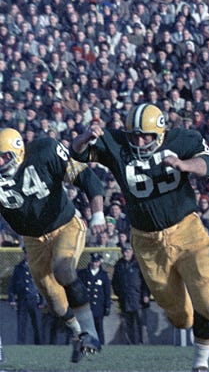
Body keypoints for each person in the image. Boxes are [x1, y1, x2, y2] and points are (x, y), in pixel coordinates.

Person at [71, 103, 209, 372]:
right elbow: (78, 154)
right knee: (180, 316)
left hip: (187, 230)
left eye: (146, 136)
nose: (139, 141)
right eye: (135, 135)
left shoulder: (181, 140)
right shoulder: (118, 144)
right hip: (147, 241)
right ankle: (203, 319)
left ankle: (201, 361)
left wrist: (184, 164)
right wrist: (85, 137)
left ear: (161, 133)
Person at [0, 128, 105, 362]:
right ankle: (79, 335)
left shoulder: (44, 150)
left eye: (4, 156)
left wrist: (98, 214)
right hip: (32, 241)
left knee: (63, 269)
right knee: (55, 303)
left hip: (65, 225)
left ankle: (91, 333)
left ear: (17, 151)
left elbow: (85, 177)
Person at [112, 244, 151, 345]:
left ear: (132, 251)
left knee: (140, 323)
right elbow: (115, 281)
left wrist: (146, 294)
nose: (126, 253)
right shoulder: (119, 264)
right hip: (125, 298)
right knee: (128, 323)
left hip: (138, 298)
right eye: (124, 251)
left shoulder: (138, 264)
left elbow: (146, 281)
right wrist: (119, 293)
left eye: (128, 251)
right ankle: (131, 343)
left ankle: (142, 342)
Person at [8, 248, 44, 345]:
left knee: (37, 324)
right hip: (22, 299)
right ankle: (20, 343)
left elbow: (42, 285)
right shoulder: (19, 267)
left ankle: (39, 343)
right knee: (21, 323)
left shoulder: (37, 267)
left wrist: (42, 301)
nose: (28, 255)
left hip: (34, 299)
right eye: (27, 253)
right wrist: (12, 299)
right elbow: (12, 285)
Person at [77, 253, 111, 345]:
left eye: (96, 262)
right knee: (86, 327)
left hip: (98, 306)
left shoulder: (103, 275)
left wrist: (107, 306)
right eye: (93, 261)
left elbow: (107, 292)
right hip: (87, 305)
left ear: (100, 262)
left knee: (99, 326)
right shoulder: (84, 273)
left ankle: (100, 343)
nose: (94, 264)